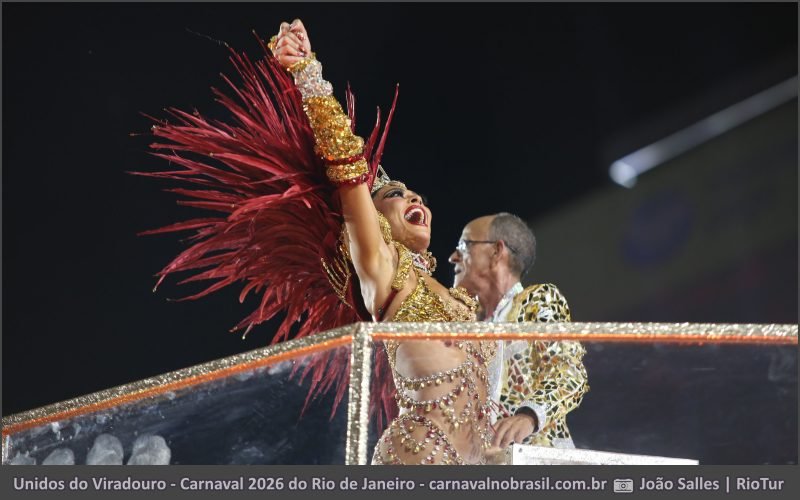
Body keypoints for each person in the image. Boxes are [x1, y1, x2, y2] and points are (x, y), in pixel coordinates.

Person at [144, 19, 496, 465]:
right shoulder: (383, 272)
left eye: (417, 195)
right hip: (419, 458)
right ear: (375, 222)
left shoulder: (457, 299)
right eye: (395, 194)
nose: (413, 197)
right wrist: (306, 73)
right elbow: (349, 171)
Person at [449, 213, 589, 450]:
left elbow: (570, 373)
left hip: (538, 462)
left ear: (496, 251)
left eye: (464, 246)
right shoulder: (464, 325)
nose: (453, 257)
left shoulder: (537, 301)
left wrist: (529, 417)